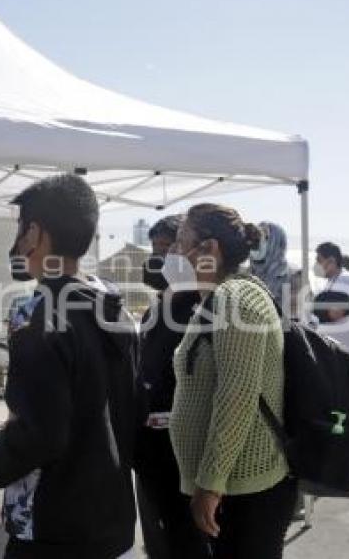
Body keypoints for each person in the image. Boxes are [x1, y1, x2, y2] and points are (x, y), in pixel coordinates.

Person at [0, 174, 140, 559]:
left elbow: (39, 439)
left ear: (33, 233)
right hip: (110, 521)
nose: (15, 243)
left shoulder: (35, 315)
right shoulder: (115, 309)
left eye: (19, 229)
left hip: (53, 528)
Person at [168, 203, 296, 559]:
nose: (175, 253)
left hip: (244, 489)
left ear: (210, 248)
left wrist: (209, 484)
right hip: (232, 487)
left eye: (182, 242)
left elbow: (236, 395)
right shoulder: (219, 297)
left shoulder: (236, 298)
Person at [136, 215, 209, 559]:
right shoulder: (157, 303)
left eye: (168, 248)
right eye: (155, 248)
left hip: (181, 449)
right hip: (150, 450)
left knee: (184, 539)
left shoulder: (201, 306)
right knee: (157, 536)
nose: (158, 257)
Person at [314, 242, 349, 360]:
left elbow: (336, 312)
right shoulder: (330, 283)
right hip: (335, 353)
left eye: (319, 260)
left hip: (347, 354)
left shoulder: (346, 280)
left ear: (332, 261)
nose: (316, 264)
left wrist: (319, 312)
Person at [248, 221, 291, 307]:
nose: (259, 241)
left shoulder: (294, 276)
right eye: (256, 236)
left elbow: (301, 313)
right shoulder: (244, 275)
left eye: (265, 237)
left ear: (277, 242)